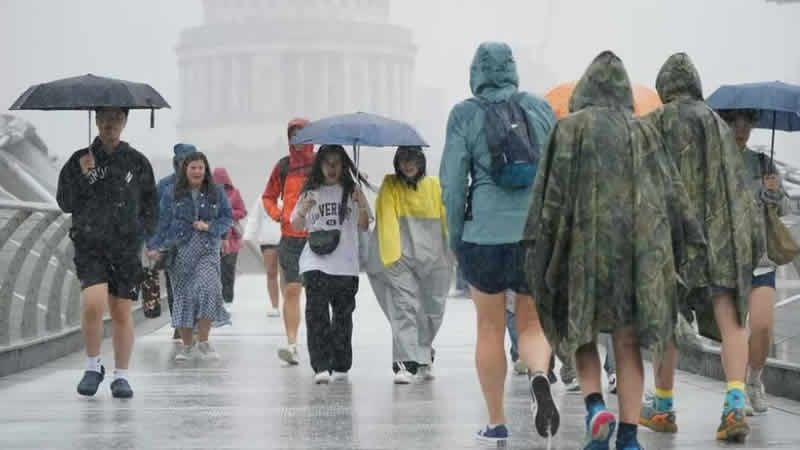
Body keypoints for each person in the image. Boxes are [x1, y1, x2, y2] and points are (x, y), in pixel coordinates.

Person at [523, 50, 706, 450]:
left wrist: (537, 248)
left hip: (581, 254)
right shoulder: (644, 131)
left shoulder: (567, 129)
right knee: (626, 344)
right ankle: (627, 435)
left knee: (583, 336)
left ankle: (593, 409)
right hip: (635, 256)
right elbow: (672, 196)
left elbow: (548, 199)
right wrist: (686, 247)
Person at [638, 53, 764, 443]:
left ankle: (662, 406)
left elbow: (642, 189)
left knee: (666, 323)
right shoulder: (717, 123)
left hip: (672, 242)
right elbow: (737, 187)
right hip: (719, 241)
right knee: (732, 322)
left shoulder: (653, 124)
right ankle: (733, 405)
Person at [439, 42, 557, 442]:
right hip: (533, 233)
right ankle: (540, 375)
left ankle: (496, 422)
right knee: (532, 323)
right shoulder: (539, 108)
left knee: (489, 327)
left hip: (484, 237)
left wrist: (456, 237)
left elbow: (453, 186)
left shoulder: (464, 114)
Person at [56, 107, 158, 399]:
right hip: (90, 244)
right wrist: (84, 175)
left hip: (126, 247)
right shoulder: (79, 161)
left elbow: (151, 204)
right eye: (105, 118)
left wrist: (148, 237)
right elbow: (65, 202)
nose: (110, 124)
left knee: (122, 311)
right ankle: (92, 365)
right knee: (93, 302)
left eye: (117, 118)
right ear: (96, 121)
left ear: (125, 122)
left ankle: (121, 375)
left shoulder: (137, 162)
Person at [718, 108, 788, 416]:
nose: (741, 129)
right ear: (726, 124)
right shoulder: (715, 164)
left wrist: (774, 194)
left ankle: (754, 381)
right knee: (733, 331)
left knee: (761, 326)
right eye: (735, 122)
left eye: (747, 123)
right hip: (727, 260)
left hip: (761, 260)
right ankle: (735, 392)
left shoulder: (763, 163)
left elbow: (783, 208)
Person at [366, 146, 450, 384]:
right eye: (403, 159)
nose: (407, 164)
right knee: (406, 307)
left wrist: (454, 249)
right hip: (399, 258)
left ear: (421, 161)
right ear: (397, 163)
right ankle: (405, 362)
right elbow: (386, 220)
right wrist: (392, 258)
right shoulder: (390, 186)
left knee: (433, 310)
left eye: (412, 159)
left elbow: (446, 219)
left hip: (434, 258)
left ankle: (423, 353)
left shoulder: (434, 186)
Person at [289, 145, 372, 384]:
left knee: (343, 317)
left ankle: (341, 363)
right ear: (320, 165)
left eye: (337, 162)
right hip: (315, 262)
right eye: (327, 162)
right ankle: (321, 365)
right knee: (317, 315)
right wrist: (303, 210)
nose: (332, 168)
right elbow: (295, 226)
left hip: (346, 264)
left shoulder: (352, 190)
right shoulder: (310, 192)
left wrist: (361, 202)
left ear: (344, 165)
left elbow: (365, 225)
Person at [147, 152, 233, 362]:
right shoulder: (171, 194)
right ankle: (186, 346)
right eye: (193, 167)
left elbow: (227, 218)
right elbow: (162, 221)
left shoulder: (217, 193)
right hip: (180, 250)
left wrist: (210, 227)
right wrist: (154, 245)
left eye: (200, 168)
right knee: (184, 296)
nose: (197, 171)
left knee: (209, 288)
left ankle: (203, 340)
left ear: (206, 170)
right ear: (185, 170)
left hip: (207, 249)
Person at [263, 119, 315, 365]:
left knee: (316, 296)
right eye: (293, 135)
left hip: (319, 239)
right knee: (292, 290)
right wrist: (279, 215)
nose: (298, 140)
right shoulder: (283, 167)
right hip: (291, 239)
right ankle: (292, 344)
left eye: (303, 134)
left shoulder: (322, 165)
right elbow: (268, 197)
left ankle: (319, 345)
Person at [147, 143, 197, 340]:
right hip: (171, 243)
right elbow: (153, 215)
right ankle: (179, 323)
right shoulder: (164, 186)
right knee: (174, 284)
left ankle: (189, 322)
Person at [243, 196, 283, 317]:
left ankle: (289, 304)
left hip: (286, 238)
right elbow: (254, 218)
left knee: (286, 274)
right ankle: (275, 306)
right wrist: (247, 236)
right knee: (271, 273)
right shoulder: (262, 199)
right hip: (268, 240)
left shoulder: (290, 194)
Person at [213, 167, 247, 304]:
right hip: (214, 238)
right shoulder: (209, 194)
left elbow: (243, 212)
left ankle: (227, 299)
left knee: (228, 271)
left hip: (232, 239)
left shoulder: (235, 193)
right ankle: (217, 300)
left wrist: (228, 213)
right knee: (215, 272)